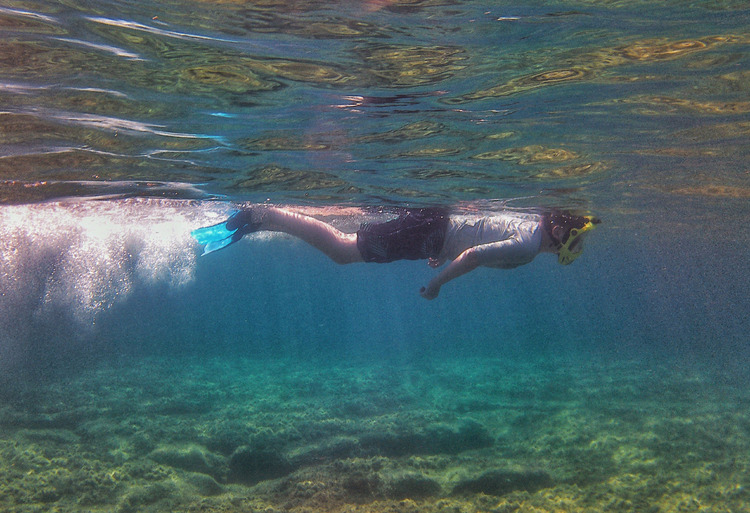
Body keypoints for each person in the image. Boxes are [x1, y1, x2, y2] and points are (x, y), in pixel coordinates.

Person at [191, 205, 600, 300]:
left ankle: (261, 219)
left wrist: (444, 251)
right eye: (578, 236)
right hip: (430, 232)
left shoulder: (528, 230)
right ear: (561, 230)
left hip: (434, 232)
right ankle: (260, 215)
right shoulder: (529, 244)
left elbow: (477, 237)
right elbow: (474, 257)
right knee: (341, 248)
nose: (579, 246)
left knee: (343, 247)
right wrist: (437, 283)